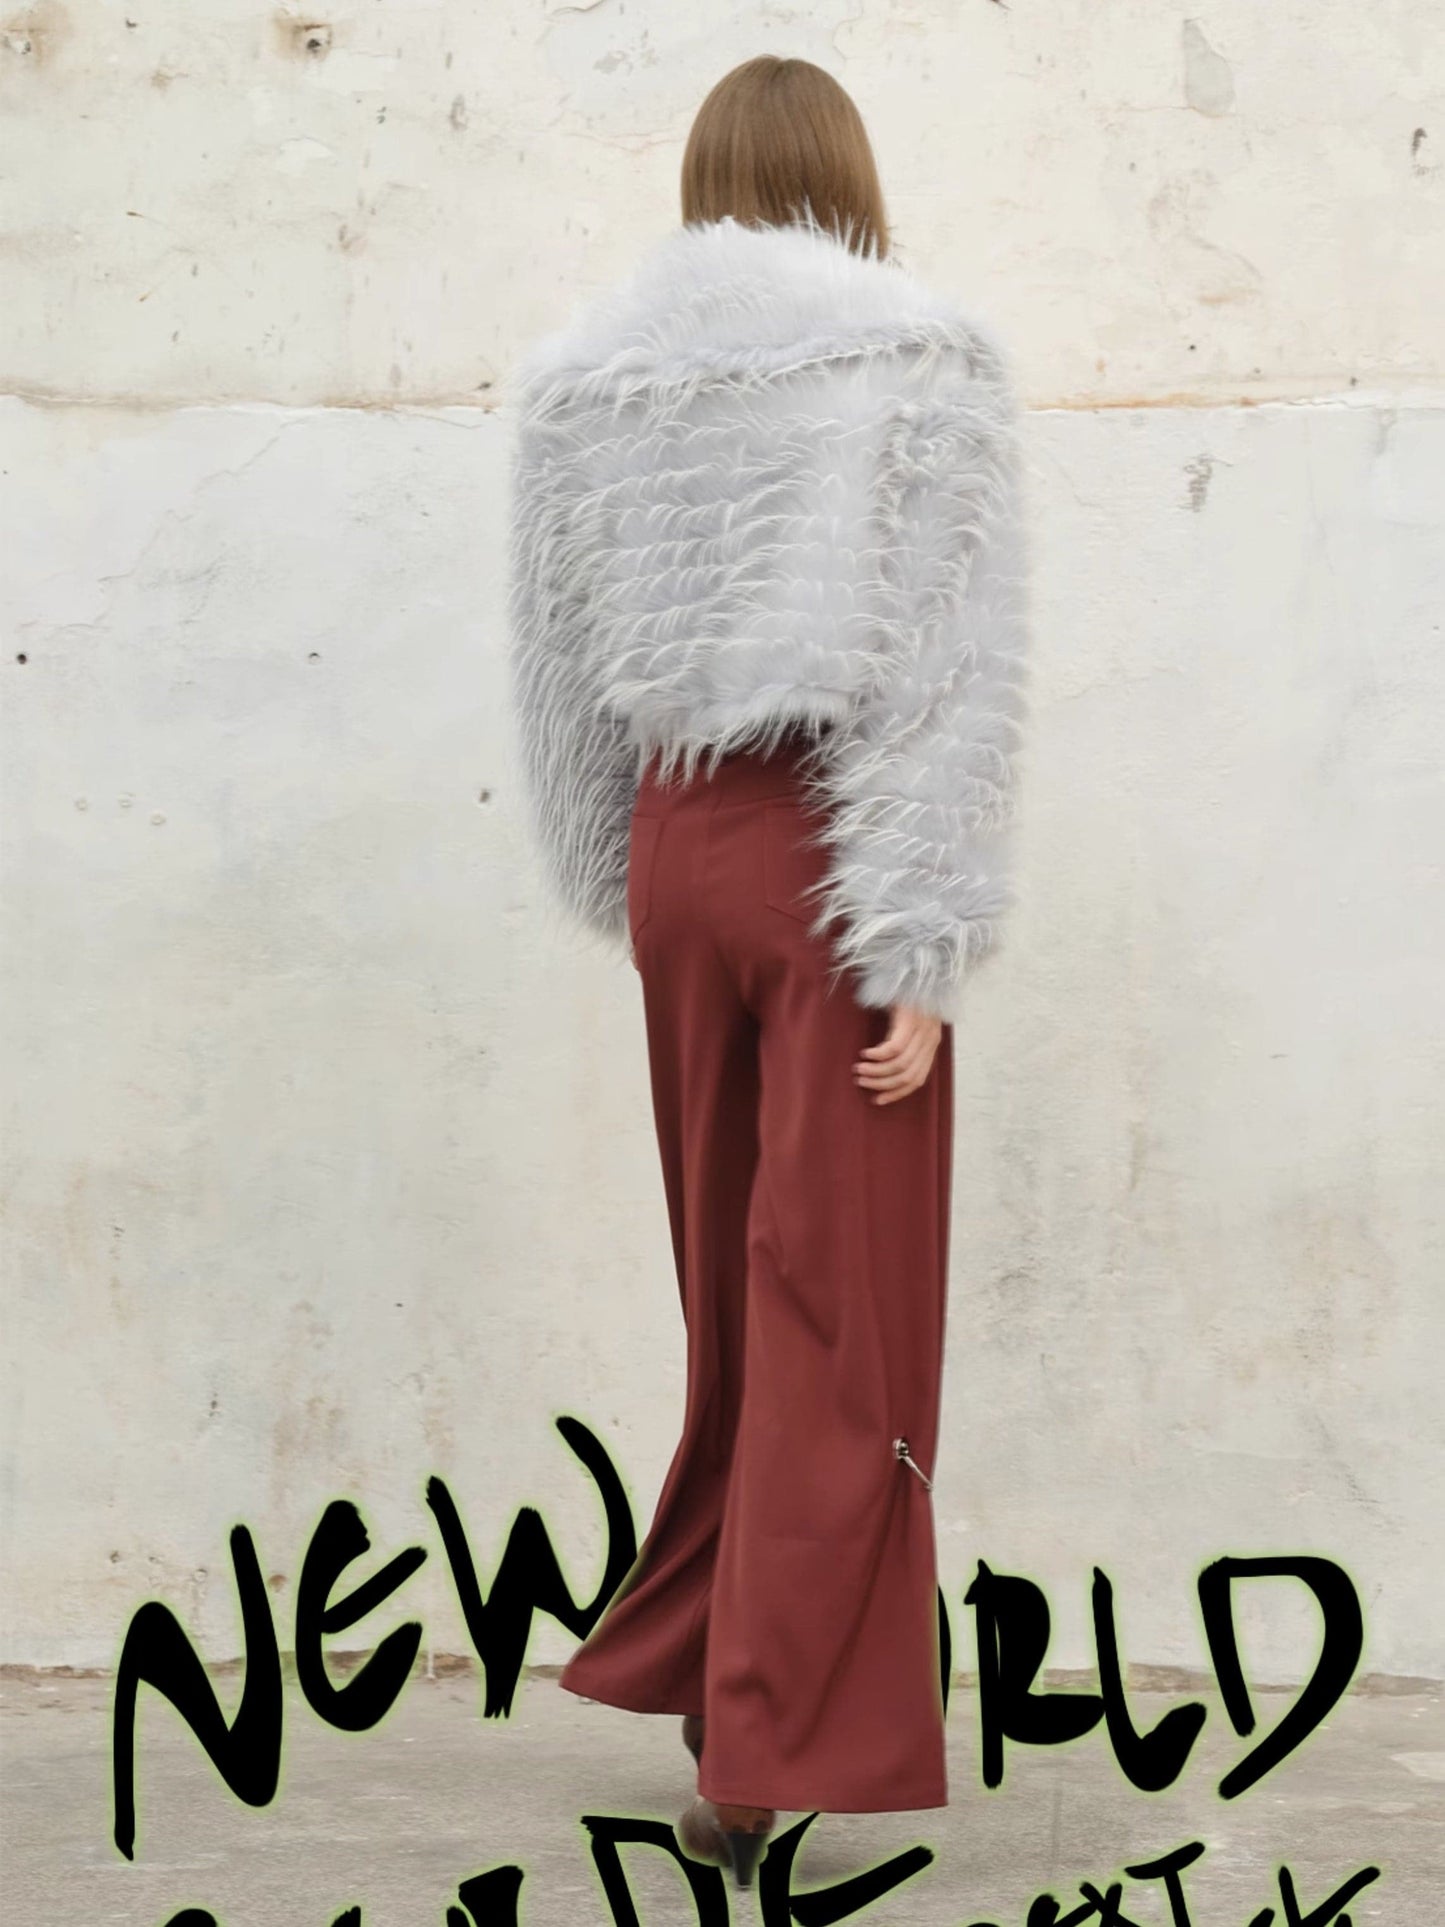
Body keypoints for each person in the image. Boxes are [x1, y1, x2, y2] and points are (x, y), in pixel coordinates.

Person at [506, 54, 1030, 1890]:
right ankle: (763, 1741)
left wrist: (636, 878)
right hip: (828, 857)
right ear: (843, 173)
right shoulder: (915, 357)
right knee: (837, 1303)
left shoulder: (587, 379)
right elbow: (945, 666)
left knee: (736, 1293)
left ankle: (715, 1661)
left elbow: (555, 667)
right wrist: (921, 940)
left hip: (676, 850)